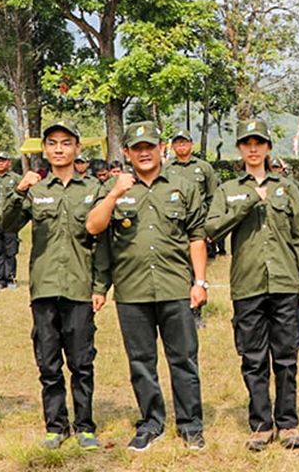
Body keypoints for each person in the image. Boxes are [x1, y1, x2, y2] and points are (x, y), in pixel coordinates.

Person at [86, 121, 208, 452]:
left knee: (183, 358)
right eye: (137, 148)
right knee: (141, 361)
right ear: (126, 153)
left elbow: (196, 236)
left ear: (161, 148)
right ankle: (151, 422)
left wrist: (199, 282)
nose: (144, 153)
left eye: (149, 147)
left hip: (175, 286)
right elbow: (94, 227)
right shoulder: (114, 187)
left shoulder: (182, 185)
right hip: (132, 289)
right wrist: (114, 193)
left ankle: (190, 424)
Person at [205, 118, 299, 452]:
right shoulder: (228, 190)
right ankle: (261, 425)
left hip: (284, 283)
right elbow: (212, 229)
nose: (253, 149)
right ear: (240, 148)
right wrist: (249, 200)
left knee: (286, 356)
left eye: (259, 143)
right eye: (247, 144)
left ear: (268, 147)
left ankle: (288, 422)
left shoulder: (287, 188)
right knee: (252, 358)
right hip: (247, 285)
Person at [0, 120, 104, 452]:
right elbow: (5, 224)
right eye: (53, 143)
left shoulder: (93, 189)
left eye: (66, 143)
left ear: (77, 148)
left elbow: (104, 242)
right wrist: (19, 190)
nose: (59, 149)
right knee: (48, 362)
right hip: (44, 288)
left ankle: (85, 426)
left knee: (82, 361)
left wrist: (100, 285)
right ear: (44, 149)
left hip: (79, 287)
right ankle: (55, 426)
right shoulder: (36, 189)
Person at [168, 130, 221, 258]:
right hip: (173, 222)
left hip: (198, 221)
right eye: (177, 142)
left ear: (191, 144)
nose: (181, 145)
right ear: (173, 146)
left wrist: (210, 224)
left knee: (198, 258)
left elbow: (212, 198)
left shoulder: (204, 167)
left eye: (184, 141)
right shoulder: (165, 168)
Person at [0, 152, 21, 290]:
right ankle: (0, 280)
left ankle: (10, 278)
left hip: (10, 221)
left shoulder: (16, 179)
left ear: (9, 163)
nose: (0, 163)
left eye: (3, 160)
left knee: (10, 251)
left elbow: (23, 197)